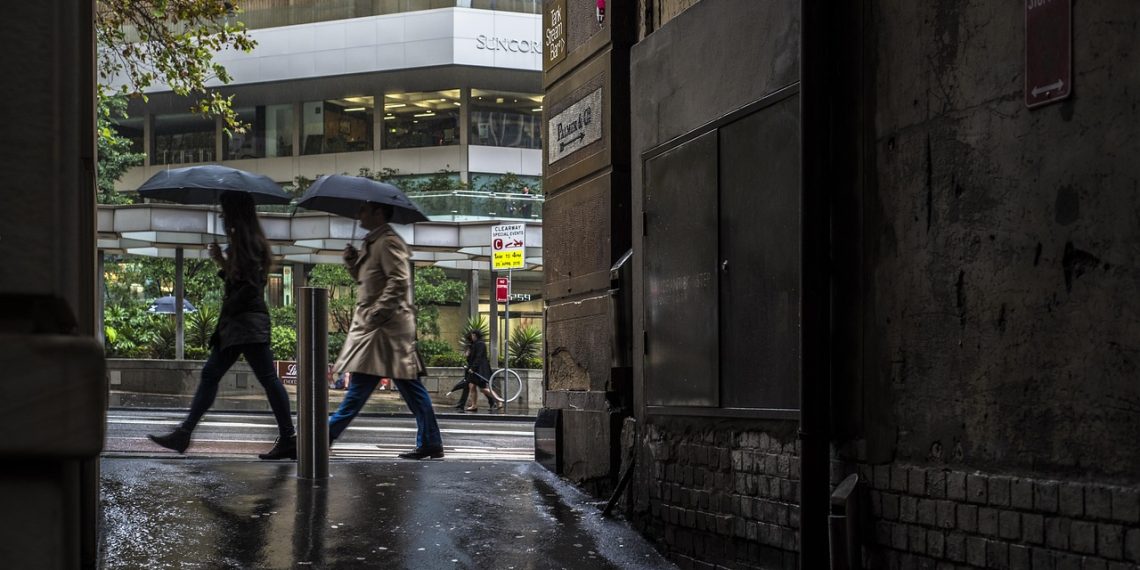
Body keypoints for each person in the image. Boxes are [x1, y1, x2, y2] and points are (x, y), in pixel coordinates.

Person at [148, 191, 296, 460]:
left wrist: (226, 271)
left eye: (224, 210)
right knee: (229, 376)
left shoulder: (245, 242)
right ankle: (286, 437)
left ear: (234, 212)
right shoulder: (249, 240)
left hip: (242, 324)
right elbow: (243, 279)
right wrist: (222, 261)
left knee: (238, 377)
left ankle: (287, 437)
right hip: (244, 323)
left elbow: (247, 285)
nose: (220, 215)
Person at [327, 202, 443, 460]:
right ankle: (431, 442)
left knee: (363, 389)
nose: (358, 213)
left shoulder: (389, 242)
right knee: (404, 389)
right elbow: (369, 279)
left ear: (379, 213)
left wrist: (376, 312)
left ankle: (322, 437)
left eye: (364, 210)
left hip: (385, 329)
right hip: (380, 329)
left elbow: (399, 280)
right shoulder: (374, 242)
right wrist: (352, 262)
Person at [461, 330, 503, 413]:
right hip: (475, 369)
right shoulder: (474, 345)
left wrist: (473, 368)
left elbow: (479, 357)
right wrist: (468, 354)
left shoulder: (480, 344)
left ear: (475, 335)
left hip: (479, 369)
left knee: (483, 388)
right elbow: (471, 358)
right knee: (472, 386)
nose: (471, 337)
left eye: (472, 335)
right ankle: (474, 405)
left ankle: (498, 400)